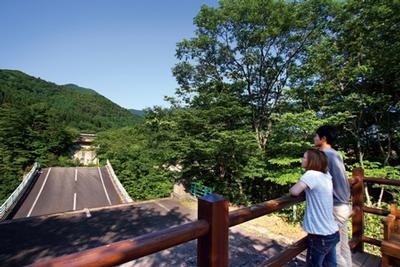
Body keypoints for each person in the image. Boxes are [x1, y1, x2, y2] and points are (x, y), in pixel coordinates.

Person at [290, 149, 339, 266]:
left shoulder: (311, 174)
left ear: (312, 161)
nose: (302, 160)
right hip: (332, 232)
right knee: (331, 265)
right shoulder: (326, 175)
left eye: (305, 157)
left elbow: (294, 191)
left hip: (319, 236)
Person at [314, 125, 352, 267]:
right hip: (344, 205)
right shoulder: (336, 154)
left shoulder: (324, 156)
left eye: (316, 136)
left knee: (333, 249)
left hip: (334, 207)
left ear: (323, 139)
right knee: (343, 244)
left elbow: (315, 180)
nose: (314, 138)